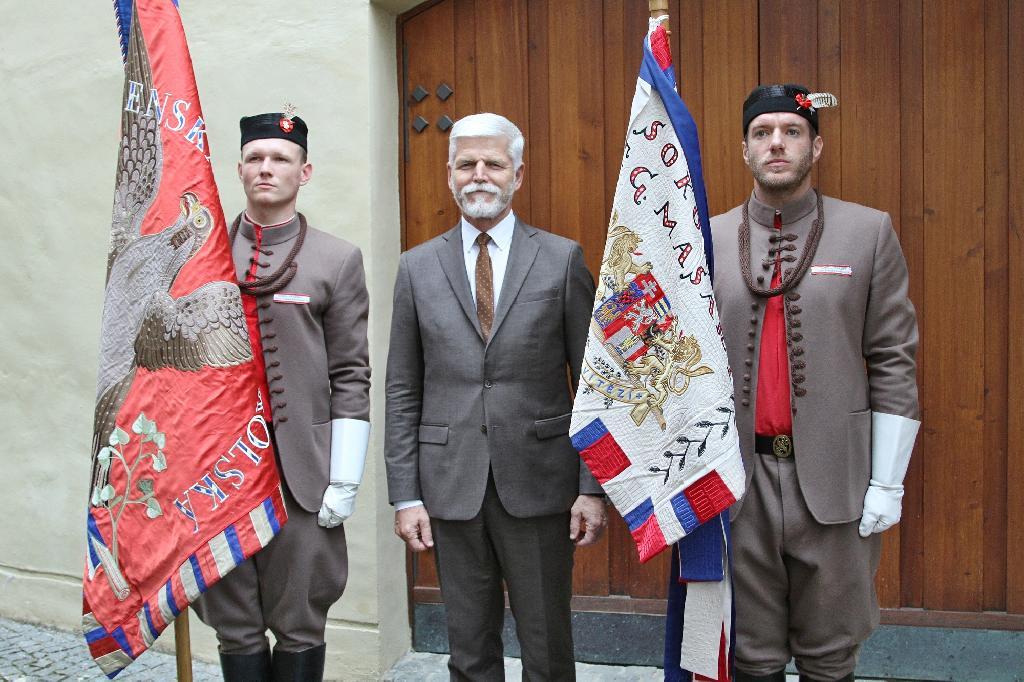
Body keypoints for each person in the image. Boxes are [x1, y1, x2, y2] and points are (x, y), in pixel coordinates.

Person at [384, 112, 607, 681]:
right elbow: (403, 388)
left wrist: (591, 487)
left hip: (539, 483)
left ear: (518, 175)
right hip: (450, 485)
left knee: (548, 647)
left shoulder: (560, 260)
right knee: (469, 651)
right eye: (466, 165)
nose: (479, 175)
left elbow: (592, 384)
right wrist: (405, 494)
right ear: (450, 175)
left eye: (493, 164)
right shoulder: (416, 268)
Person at [709, 85, 920, 682]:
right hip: (735, 485)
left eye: (792, 131)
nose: (777, 142)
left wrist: (887, 482)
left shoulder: (868, 231)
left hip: (836, 484)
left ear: (816, 144)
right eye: (762, 133)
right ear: (745, 149)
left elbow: (894, 358)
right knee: (749, 657)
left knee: (830, 658)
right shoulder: (705, 238)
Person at [192, 112, 371, 682]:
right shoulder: (201, 255)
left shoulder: (336, 260)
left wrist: (343, 477)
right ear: (240, 168)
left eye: (281, 159)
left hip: (301, 473)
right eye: (255, 158)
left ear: (305, 171)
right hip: (218, 474)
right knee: (233, 621)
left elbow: (351, 373)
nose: (266, 168)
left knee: (300, 622)